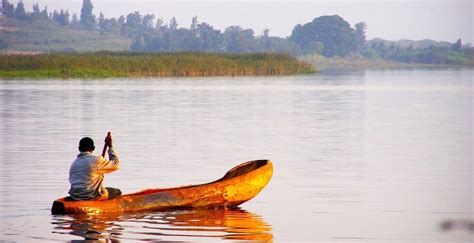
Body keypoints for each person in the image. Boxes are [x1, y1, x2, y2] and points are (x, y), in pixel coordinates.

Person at [68, 133, 121, 201]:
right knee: (117, 192)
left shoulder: (74, 163)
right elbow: (116, 164)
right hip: (91, 196)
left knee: (105, 189)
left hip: (75, 196)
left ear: (79, 148)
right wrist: (110, 146)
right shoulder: (97, 160)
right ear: (93, 148)